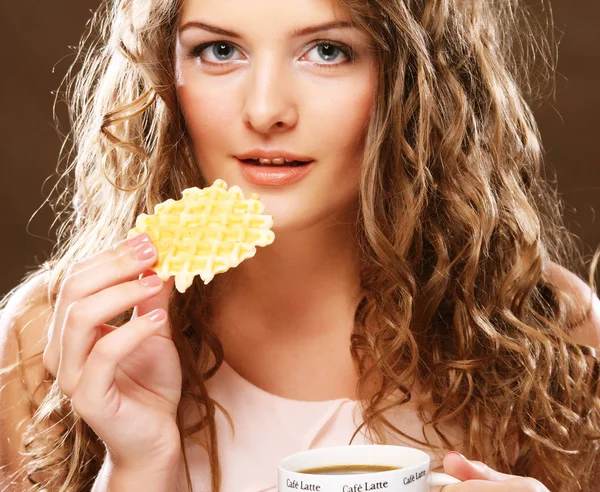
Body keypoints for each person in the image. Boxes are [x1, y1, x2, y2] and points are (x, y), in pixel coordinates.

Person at [1, 0, 599, 490]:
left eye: (328, 51)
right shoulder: (44, 344)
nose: (265, 111)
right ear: (165, 73)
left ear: (414, 80)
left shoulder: (547, 330)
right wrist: (137, 468)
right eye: (219, 50)